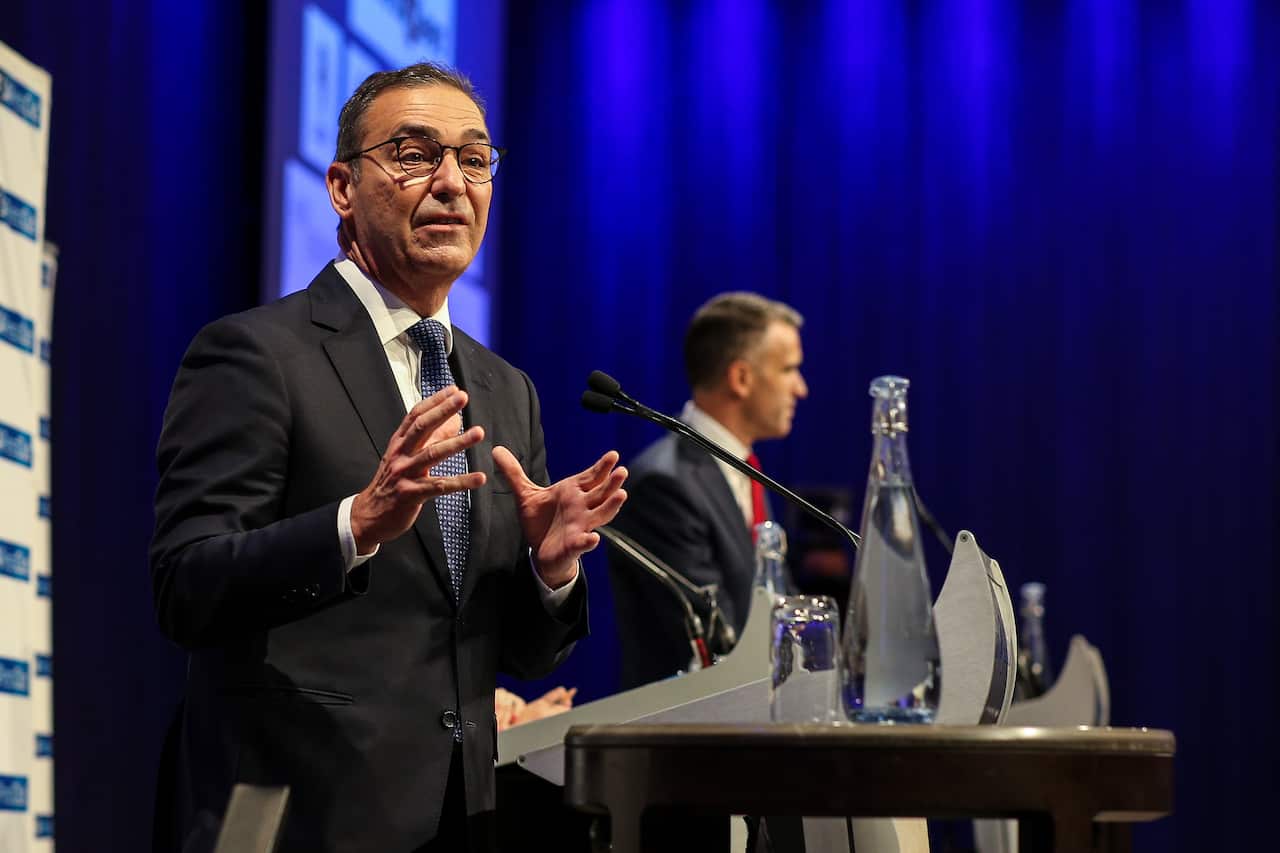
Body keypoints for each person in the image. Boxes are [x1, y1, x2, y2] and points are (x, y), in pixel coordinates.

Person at [149, 62, 627, 853]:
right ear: (341, 187)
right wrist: (354, 524)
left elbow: (513, 650)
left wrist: (547, 572)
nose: (451, 183)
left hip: (462, 818)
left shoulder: (507, 391)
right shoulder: (256, 354)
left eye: (474, 159)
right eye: (414, 154)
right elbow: (185, 586)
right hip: (299, 816)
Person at [607, 292, 807, 689]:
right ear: (741, 378)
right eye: (789, 370)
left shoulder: (744, 473)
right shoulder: (665, 484)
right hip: (690, 737)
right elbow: (716, 640)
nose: (800, 388)